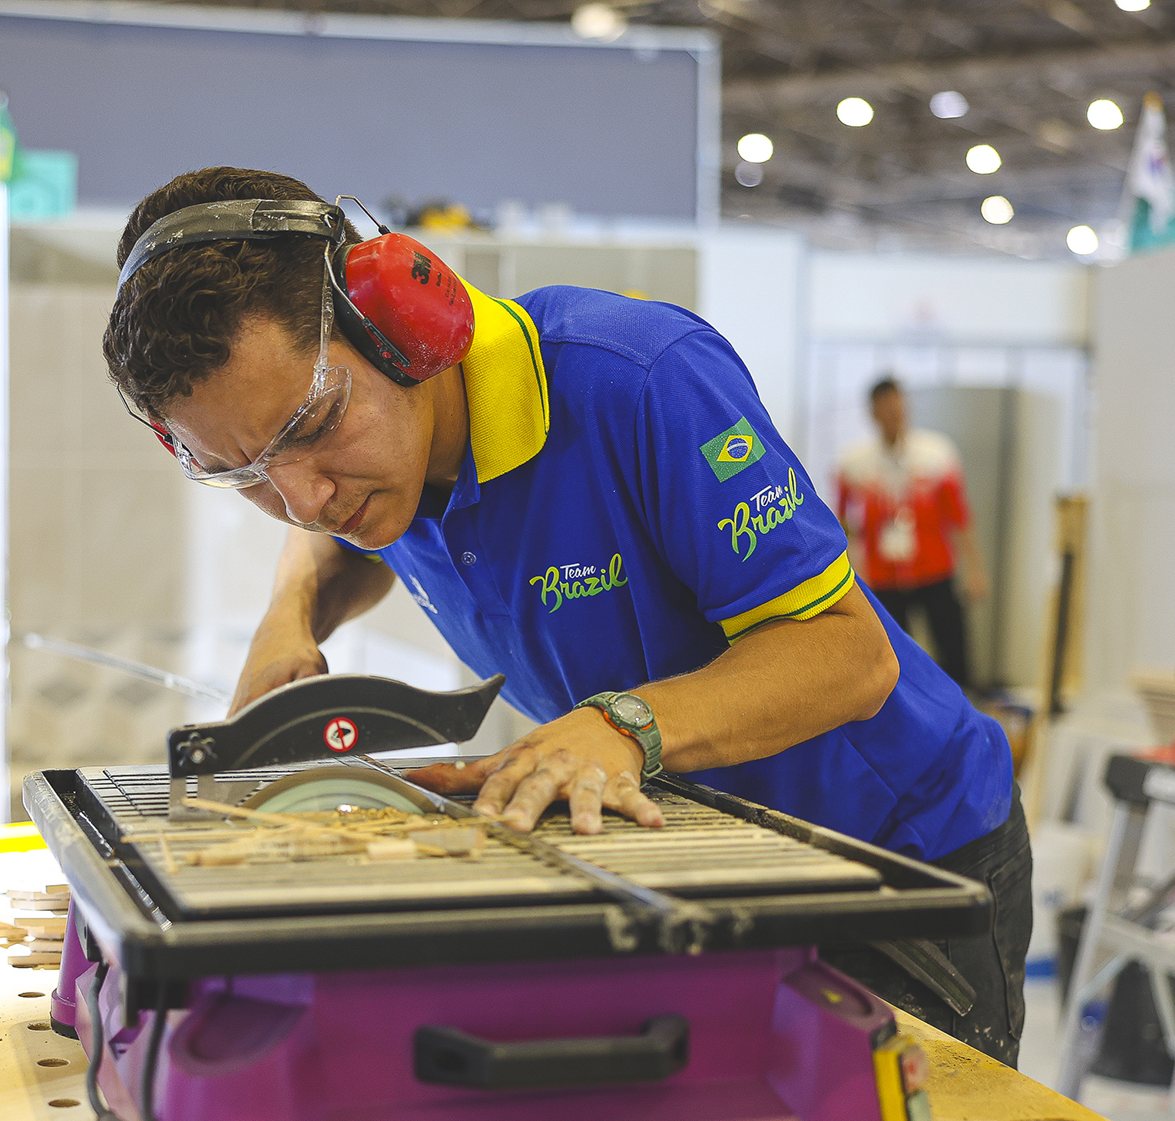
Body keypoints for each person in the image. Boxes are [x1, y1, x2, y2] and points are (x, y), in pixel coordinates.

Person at [101, 168, 1030, 1065]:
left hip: (897, 861)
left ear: (400, 327)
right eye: (245, 472)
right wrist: (290, 616)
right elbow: (335, 541)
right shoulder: (370, 473)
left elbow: (848, 660)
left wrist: (622, 725)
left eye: (310, 426)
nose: (302, 498)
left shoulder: (637, 381)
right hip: (705, 858)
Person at [835, 377, 989, 690]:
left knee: (954, 648)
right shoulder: (853, 464)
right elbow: (840, 522)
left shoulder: (937, 455)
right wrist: (849, 571)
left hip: (934, 570)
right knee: (892, 658)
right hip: (883, 576)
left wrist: (975, 570)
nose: (894, 415)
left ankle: (963, 709)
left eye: (899, 407)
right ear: (873, 412)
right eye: (886, 409)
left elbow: (959, 517)